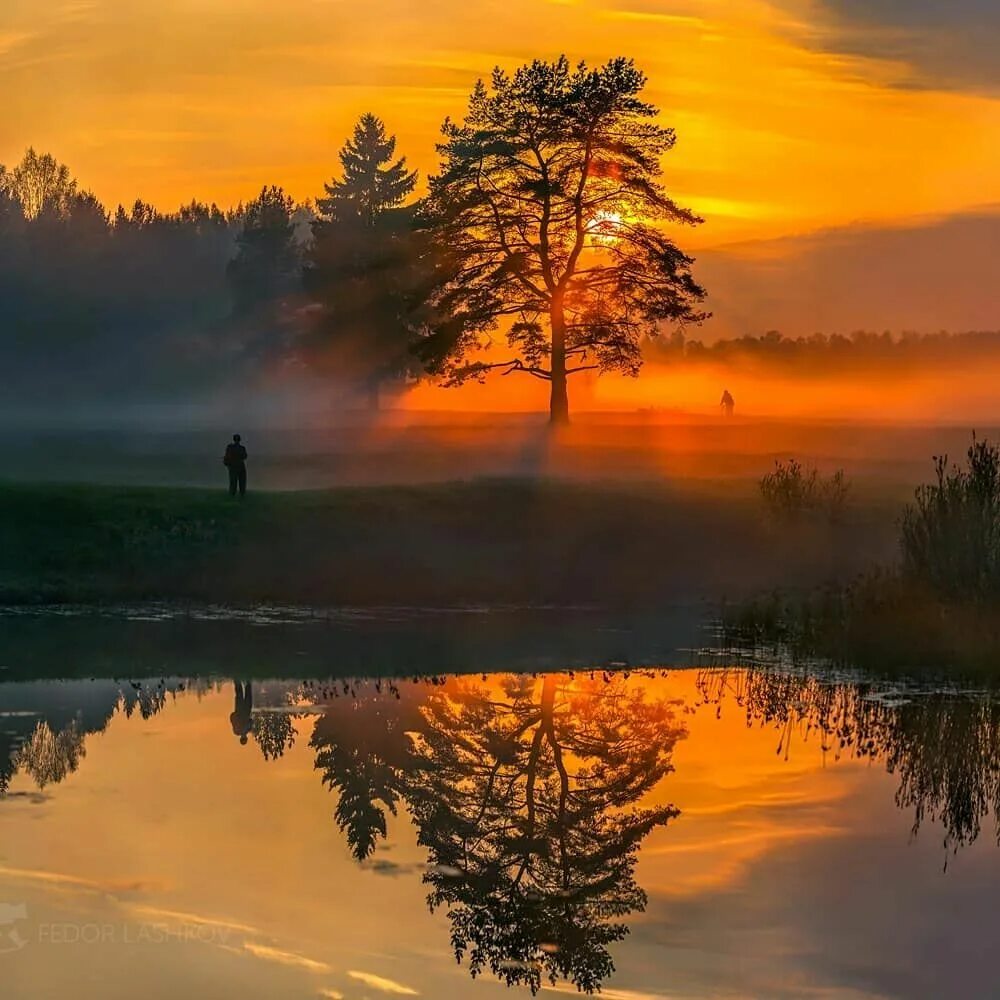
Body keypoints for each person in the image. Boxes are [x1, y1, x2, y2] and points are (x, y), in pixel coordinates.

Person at [230, 680, 253, 746]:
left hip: (246, 709)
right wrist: (235, 714)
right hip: (239, 708)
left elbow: (251, 721)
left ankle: (246, 676)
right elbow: (232, 717)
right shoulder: (236, 731)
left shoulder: (248, 729)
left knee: (247, 690)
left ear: (246, 738)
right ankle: (237, 677)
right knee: (239, 692)